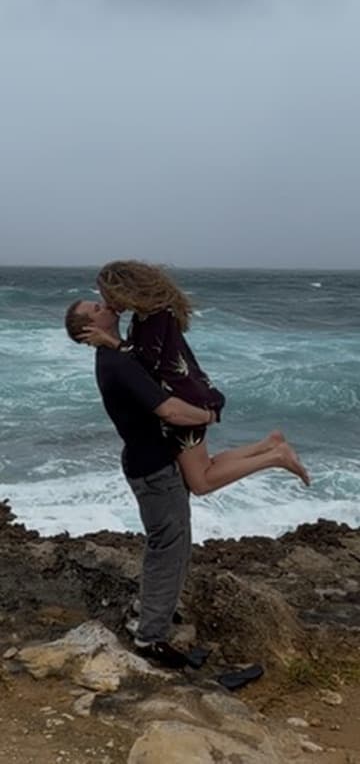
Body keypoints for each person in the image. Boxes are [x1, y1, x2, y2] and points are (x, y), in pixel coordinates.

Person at [65, 299, 217, 668]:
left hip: (148, 464)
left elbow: (141, 365)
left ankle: (149, 608)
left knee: (164, 543)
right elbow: (169, 410)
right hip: (155, 471)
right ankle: (150, 637)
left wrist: (117, 342)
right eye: (97, 306)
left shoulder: (118, 355)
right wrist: (210, 415)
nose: (106, 304)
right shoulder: (115, 362)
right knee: (171, 548)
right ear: (89, 328)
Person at [80, 260, 310, 491]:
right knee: (204, 467)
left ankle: (276, 457)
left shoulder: (152, 317)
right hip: (188, 390)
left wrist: (112, 342)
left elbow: (144, 363)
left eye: (107, 295)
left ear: (124, 289)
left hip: (183, 398)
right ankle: (269, 445)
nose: (106, 302)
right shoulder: (154, 311)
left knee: (201, 482)